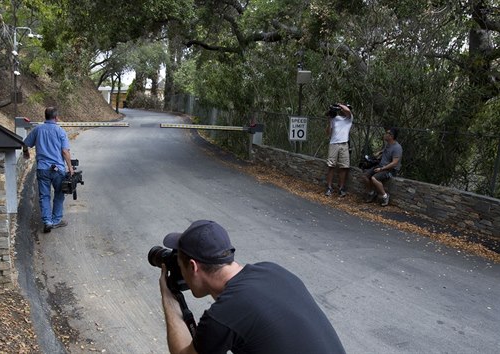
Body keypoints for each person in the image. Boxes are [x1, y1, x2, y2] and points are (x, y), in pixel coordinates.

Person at [158, 220, 346, 354]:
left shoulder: (223, 314)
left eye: (180, 267)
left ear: (193, 266)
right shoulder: (272, 270)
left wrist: (168, 296)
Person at [23, 107, 74, 233]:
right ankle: (56, 220)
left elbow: (25, 144)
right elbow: (65, 151)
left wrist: (26, 153)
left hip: (42, 169)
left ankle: (47, 221)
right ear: (56, 117)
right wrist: (70, 167)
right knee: (59, 193)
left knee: (44, 196)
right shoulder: (60, 131)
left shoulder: (38, 130)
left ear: (45, 116)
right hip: (58, 170)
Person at [361, 127, 402, 207]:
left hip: (390, 170)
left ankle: (385, 196)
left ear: (391, 136)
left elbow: (394, 163)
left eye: (387, 133)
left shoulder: (397, 148)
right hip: (380, 166)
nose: (385, 135)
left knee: (374, 178)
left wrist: (381, 169)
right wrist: (379, 152)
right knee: (364, 176)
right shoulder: (388, 145)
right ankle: (371, 193)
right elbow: (385, 151)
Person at [325, 103, 353, 197]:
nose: (343, 111)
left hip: (344, 144)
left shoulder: (349, 119)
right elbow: (328, 133)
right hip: (333, 143)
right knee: (331, 166)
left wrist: (339, 105)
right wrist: (329, 121)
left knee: (343, 167)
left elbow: (348, 111)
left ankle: (341, 188)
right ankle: (329, 187)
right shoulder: (334, 118)